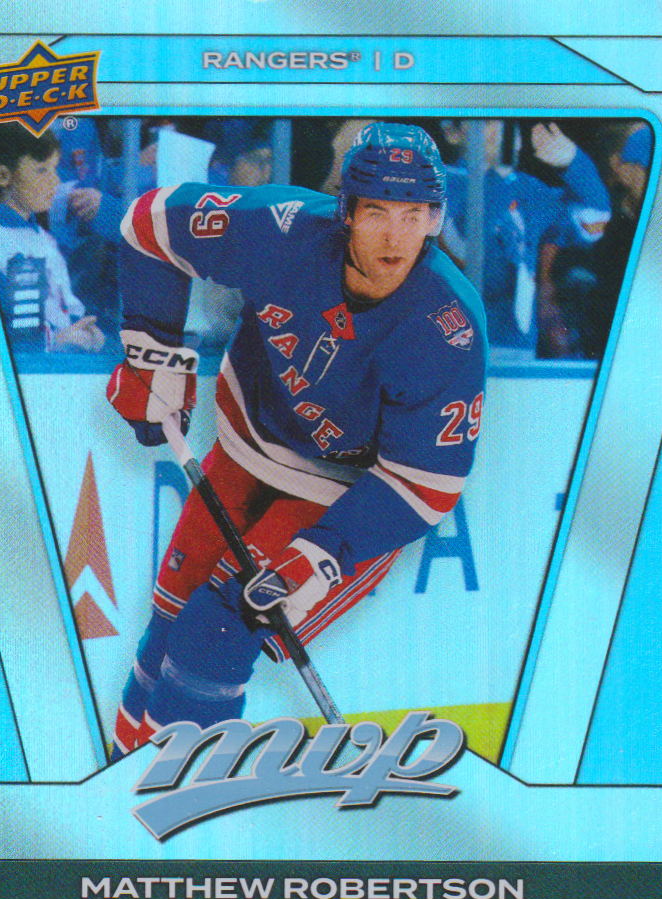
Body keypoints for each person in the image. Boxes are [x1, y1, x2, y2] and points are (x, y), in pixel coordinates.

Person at [106, 122, 488, 761]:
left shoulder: (447, 325)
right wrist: (153, 351)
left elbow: (425, 484)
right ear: (347, 211)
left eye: (415, 214)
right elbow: (150, 224)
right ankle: (123, 784)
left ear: (435, 217)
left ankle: (188, 796)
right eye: (378, 213)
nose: (396, 237)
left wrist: (319, 555)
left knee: (215, 634)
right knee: (165, 630)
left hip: (346, 494)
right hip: (249, 442)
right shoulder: (281, 230)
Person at [441, 120, 611, 352]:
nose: (501, 129)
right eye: (487, 121)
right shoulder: (438, 182)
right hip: (453, 345)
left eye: (508, 121)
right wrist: (498, 176)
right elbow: (467, 252)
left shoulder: (528, 189)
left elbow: (594, 220)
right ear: (451, 132)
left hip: (517, 345)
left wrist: (575, 163)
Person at [0, 123, 105, 353]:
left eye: (55, 169)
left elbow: (66, 303)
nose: (56, 181)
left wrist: (85, 328)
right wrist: (57, 342)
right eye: (42, 170)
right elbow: (12, 334)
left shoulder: (42, 237)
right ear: (3, 175)